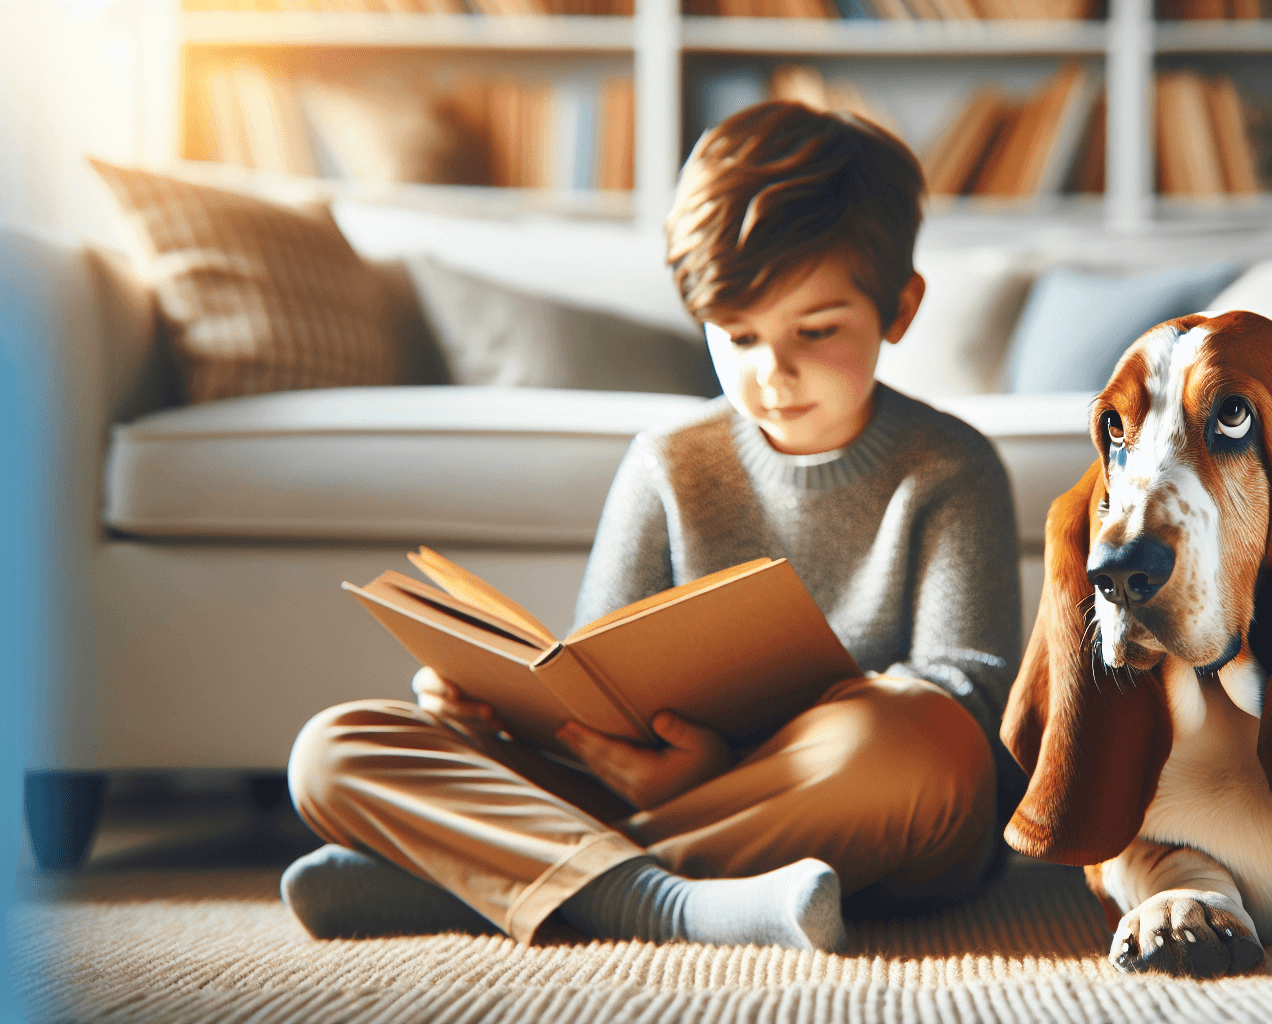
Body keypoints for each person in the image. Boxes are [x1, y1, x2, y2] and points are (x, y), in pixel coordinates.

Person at [279, 101, 1023, 952]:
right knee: (334, 749)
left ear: (900, 308)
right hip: (664, 798)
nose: (770, 373)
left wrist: (726, 766)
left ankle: (504, 882)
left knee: (921, 737)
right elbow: (596, 679)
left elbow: (972, 715)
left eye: (815, 332)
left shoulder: (951, 468)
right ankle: (669, 902)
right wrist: (496, 715)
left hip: (870, 816)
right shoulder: (668, 462)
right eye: (736, 336)